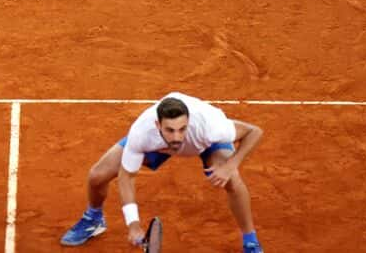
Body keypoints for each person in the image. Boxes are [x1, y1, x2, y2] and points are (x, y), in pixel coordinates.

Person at [61, 92, 265, 252]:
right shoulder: (141, 133)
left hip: (202, 143)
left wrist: (231, 166)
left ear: (189, 123)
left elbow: (254, 132)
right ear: (158, 125)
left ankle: (250, 240)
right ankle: (93, 219)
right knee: (97, 175)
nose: (177, 136)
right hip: (157, 146)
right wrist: (133, 224)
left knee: (232, 179)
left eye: (182, 129)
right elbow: (126, 177)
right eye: (170, 130)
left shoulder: (211, 127)